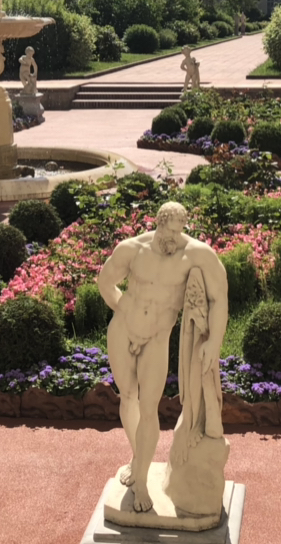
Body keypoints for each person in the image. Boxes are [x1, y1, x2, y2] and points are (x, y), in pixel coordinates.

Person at [96, 201, 228, 513]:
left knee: (149, 407)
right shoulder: (133, 249)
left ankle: (141, 480)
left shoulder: (196, 254)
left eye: (180, 231)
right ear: (159, 223)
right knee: (128, 396)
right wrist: (124, 306)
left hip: (157, 338)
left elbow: (219, 297)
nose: (174, 238)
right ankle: (137, 457)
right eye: (170, 231)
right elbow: (105, 281)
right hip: (123, 329)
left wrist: (214, 341)